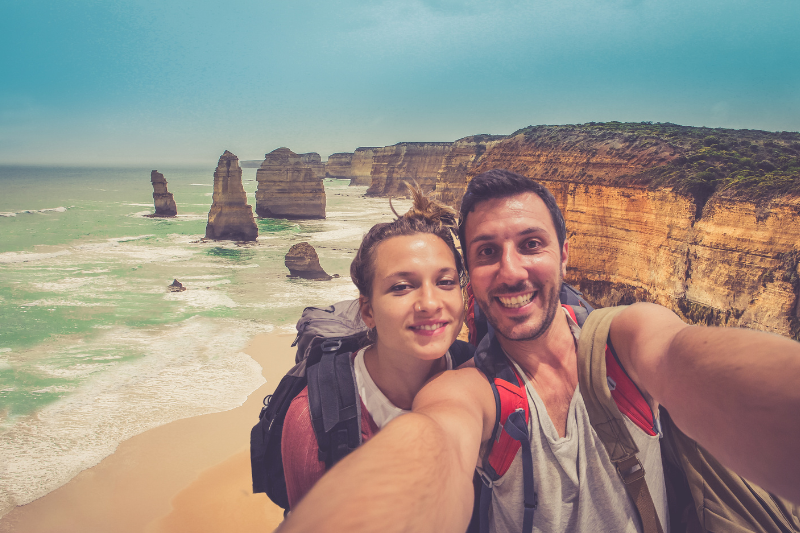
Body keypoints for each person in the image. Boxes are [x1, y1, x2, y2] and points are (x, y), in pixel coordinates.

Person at [277, 169, 800, 533]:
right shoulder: (466, 388)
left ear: (565, 255)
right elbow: (436, 440)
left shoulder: (628, 340)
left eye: (531, 244)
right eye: (486, 252)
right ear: (474, 278)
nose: (510, 271)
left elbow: (679, 356)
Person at [281, 185, 469, 509]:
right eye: (401, 286)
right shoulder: (314, 420)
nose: (429, 303)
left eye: (445, 281)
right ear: (368, 311)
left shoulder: (485, 378)